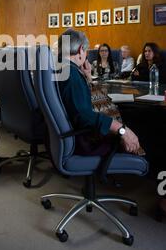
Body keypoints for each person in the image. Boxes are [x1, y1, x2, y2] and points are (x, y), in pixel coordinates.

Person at [57, 29, 142, 158]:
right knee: (141, 125)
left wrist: (88, 77)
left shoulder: (61, 68)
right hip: (86, 142)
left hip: (68, 136)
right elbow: (83, 116)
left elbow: (82, 101)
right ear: (80, 50)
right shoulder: (71, 75)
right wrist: (121, 129)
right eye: (86, 51)